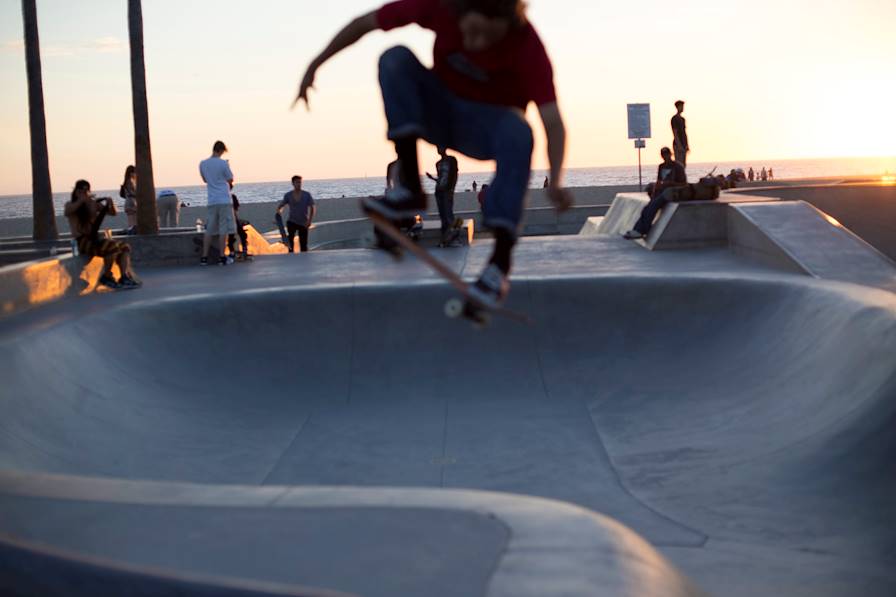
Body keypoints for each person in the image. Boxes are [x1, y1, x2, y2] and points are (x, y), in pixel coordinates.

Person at [294, 0, 573, 307]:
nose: (477, 45)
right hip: (439, 114)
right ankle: (410, 189)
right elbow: (364, 23)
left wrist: (556, 181)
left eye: (488, 37)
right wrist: (314, 64)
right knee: (394, 58)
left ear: (507, 27)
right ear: (458, 13)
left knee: (520, 130)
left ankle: (499, 265)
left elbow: (553, 122)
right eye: (472, 32)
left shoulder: (527, 45)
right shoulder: (439, 7)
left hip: (487, 130)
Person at [65, 179, 140, 289]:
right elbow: (68, 212)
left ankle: (123, 276)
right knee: (111, 247)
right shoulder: (70, 205)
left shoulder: (93, 204)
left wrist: (110, 203)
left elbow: (113, 213)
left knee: (124, 247)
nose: (85, 193)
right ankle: (106, 276)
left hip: (94, 239)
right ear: (76, 192)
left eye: (87, 191)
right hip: (81, 241)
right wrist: (82, 200)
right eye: (82, 191)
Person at [622, 147, 688, 240]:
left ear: (670, 154)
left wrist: (670, 183)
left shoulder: (677, 167)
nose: (665, 157)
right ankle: (639, 230)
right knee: (646, 208)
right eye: (663, 155)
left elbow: (684, 184)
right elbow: (658, 181)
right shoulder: (661, 166)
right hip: (661, 192)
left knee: (653, 206)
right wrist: (654, 191)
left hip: (672, 192)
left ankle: (640, 231)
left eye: (667, 154)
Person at [199, 140, 236, 265]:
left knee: (209, 229)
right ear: (221, 150)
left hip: (212, 200)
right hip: (224, 199)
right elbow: (230, 179)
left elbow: (205, 180)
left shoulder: (203, 163)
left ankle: (204, 257)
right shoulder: (223, 163)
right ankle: (222, 256)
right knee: (223, 229)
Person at [426, 146, 461, 246]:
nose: (439, 150)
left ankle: (454, 238)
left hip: (447, 191)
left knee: (448, 215)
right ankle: (445, 239)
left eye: (440, 147)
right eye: (437, 148)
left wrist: (451, 189)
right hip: (439, 191)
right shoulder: (438, 163)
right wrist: (432, 178)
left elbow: (454, 175)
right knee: (443, 216)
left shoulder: (451, 160)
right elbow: (440, 178)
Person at [276, 175, 317, 253]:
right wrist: (279, 211)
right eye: (297, 182)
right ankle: (291, 259)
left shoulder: (307, 195)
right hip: (292, 221)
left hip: (304, 222)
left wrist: (309, 221)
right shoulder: (288, 195)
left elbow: (312, 207)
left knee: (303, 244)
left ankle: (304, 261)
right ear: (293, 183)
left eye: (300, 182)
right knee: (290, 242)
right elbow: (281, 205)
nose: (299, 184)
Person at [227, 193, 251, 260]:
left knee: (232, 235)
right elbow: (235, 210)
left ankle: (232, 251)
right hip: (233, 220)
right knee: (241, 234)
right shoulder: (231, 196)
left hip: (227, 220)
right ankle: (244, 249)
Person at [120, 165, 138, 234]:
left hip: (130, 202)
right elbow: (132, 193)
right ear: (131, 173)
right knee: (132, 222)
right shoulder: (130, 181)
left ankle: (132, 233)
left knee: (132, 222)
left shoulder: (129, 181)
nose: (136, 174)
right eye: (135, 172)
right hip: (131, 203)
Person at [671, 100, 689, 168]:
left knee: (683, 164)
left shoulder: (682, 119)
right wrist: (679, 145)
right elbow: (675, 133)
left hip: (684, 144)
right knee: (679, 164)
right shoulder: (674, 118)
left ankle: (682, 178)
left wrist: (687, 145)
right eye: (681, 106)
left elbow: (684, 132)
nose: (682, 108)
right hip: (678, 145)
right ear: (677, 107)